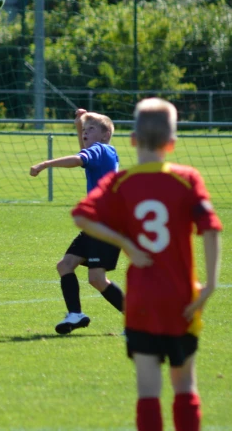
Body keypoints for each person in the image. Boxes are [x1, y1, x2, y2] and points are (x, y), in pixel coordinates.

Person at [72, 98, 222, 431]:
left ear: (133, 140)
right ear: (172, 141)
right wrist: (210, 285)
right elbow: (211, 229)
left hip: (140, 299)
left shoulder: (121, 182)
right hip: (183, 298)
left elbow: (81, 214)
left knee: (148, 391)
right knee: (184, 386)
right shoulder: (187, 178)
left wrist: (125, 244)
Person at [30, 109, 124, 334]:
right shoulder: (102, 151)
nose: (85, 132)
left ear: (104, 135)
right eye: (84, 130)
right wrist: (79, 124)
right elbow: (84, 151)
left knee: (97, 278)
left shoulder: (101, 149)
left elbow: (78, 158)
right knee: (65, 265)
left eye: (91, 129)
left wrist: (45, 163)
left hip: (106, 224)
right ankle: (75, 314)